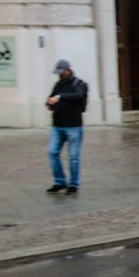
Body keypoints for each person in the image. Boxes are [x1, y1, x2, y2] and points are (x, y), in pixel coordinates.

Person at [45, 59, 89, 195]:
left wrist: (60, 97)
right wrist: (50, 104)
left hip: (74, 125)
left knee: (73, 157)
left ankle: (73, 184)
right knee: (52, 152)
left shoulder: (79, 84)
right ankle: (60, 182)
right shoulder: (57, 85)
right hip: (57, 125)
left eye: (61, 72)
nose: (59, 75)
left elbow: (78, 96)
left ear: (68, 70)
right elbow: (51, 98)